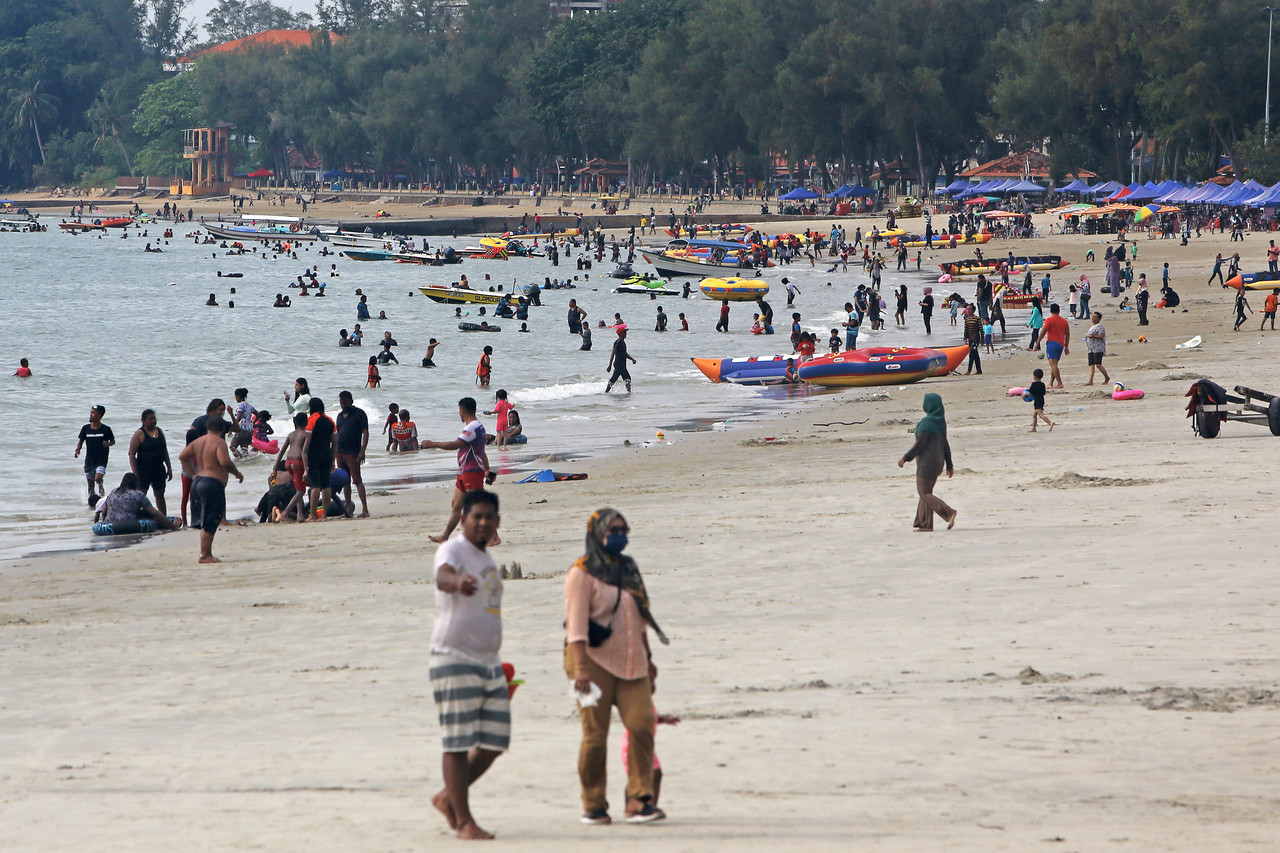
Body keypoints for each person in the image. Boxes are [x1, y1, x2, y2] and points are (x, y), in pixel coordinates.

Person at [564, 508, 669, 825]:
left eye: (624, 529)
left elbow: (639, 618)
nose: (620, 535)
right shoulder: (581, 573)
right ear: (597, 534)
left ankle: (639, 800)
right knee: (595, 735)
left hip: (632, 658)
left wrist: (649, 659)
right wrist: (580, 671)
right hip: (590, 661)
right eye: (613, 530)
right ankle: (593, 804)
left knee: (640, 724)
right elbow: (576, 627)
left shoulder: (628, 567)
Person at [429, 489, 508, 841]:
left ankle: (448, 797)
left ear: (497, 523)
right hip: (454, 656)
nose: (482, 522)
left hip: (489, 662)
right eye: (476, 516)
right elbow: (443, 577)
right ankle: (464, 822)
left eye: (489, 517)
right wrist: (457, 581)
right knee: (458, 742)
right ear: (463, 520)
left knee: (495, 740)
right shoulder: (453, 550)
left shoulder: (487, 559)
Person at [423, 398, 496, 544]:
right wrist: (487, 469)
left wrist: (433, 444)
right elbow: (481, 451)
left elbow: (456, 444)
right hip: (464, 472)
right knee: (456, 505)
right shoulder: (479, 427)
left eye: (459, 411)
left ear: (462, 410)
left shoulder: (472, 428)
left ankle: (493, 537)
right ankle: (445, 536)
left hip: (472, 472)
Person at [178, 417, 243, 562]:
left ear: (208, 427)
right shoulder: (219, 442)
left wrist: (194, 474)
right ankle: (205, 554)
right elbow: (225, 462)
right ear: (222, 429)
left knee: (204, 520)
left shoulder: (198, 442)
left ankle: (205, 552)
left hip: (198, 482)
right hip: (212, 484)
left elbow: (182, 457)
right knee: (211, 520)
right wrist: (236, 473)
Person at [897, 393, 956, 532]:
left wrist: (905, 458)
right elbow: (945, 444)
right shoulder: (940, 422)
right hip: (938, 464)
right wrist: (949, 464)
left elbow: (920, 445)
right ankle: (925, 524)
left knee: (924, 493)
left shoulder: (926, 423)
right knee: (927, 493)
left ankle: (949, 513)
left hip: (926, 464)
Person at [95, 472, 181, 531]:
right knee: (147, 513)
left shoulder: (112, 493)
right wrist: (172, 526)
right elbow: (154, 513)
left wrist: (103, 523)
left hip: (111, 523)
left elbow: (104, 511)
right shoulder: (137, 495)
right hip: (130, 523)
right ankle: (171, 525)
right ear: (136, 484)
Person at [128, 409, 172, 516]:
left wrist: (169, 468)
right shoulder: (139, 433)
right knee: (141, 495)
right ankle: (136, 517)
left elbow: (164, 450)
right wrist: (135, 473)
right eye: (150, 419)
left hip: (159, 469)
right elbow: (132, 454)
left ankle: (163, 517)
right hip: (143, 470)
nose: (153, 421)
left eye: (154, 418)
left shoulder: (159, 431)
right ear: (143, 421)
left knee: (160, 494)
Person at [334, 390, 370, 517]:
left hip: (353, 452)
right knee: (345, 482)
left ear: (351, 401)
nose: (343, 405)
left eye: (345, 402)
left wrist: (362, 451)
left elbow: (365, 433)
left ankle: (365, 510)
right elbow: (337, 434)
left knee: (357, 480)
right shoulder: (339, 416)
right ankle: (348, 510)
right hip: (340, 452)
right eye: (341, 402)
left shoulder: (359, 414)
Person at [75, 405, 115, 506]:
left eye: (93, 413)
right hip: (89, 460)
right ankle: (92, 503)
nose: (91, 414)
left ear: (100, 415)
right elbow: (81, 441)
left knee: (98, 479)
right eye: (91, 412)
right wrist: (77, 450)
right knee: (90, 485)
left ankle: (102, 499)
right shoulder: (85, 428)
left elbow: (113, 441)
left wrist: (108, 444)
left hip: (101, 460)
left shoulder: (106, 429)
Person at [1041, 303, 1070, 389]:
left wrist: (1038, 342)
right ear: (1059, 311)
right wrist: (1066, 346)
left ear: (1050, 311)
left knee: (1053, 365)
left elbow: (1043, 331)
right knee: (1055, 365)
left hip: (1052, 343)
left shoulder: (1049, 320)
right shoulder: (1064, 321)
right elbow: (1067, 334)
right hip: (1060, 344)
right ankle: (1051, 383)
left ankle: (1060, 383)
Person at [1083, 311, 1110, 386]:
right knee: (1091, 364)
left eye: (1095, 317)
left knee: (1098, 364)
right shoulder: (1092, 327)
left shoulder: (1100, 326)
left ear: (1099, 319)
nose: (1093, 318)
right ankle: (1090, 381)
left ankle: (1107, 377)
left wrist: (1093, 336)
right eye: (1093, 317)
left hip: (1098, 348)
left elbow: (1101, 336)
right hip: (1090, 348)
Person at [606, 328, 636, 393]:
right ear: (620, 333)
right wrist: (610, 365)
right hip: (619, 364)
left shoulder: (622, 342)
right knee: (626, 378)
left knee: (621, 378)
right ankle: (628, 392)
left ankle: (607, 392)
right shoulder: (619, 342)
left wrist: (632, 359)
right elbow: (613, 353)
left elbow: (624, 353)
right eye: (624, 332)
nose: (626, 333)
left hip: (621, 364)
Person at [229, 388, 256, 457]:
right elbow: (258, 415)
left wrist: (232, 428)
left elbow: (239, 417)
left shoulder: (241, 406)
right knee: (244, 450)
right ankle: (246, 463)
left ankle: (240, 460)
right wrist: (252, 423)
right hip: (249, 430)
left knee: (232, 447)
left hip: (242, 429)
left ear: (237, 396)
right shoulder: (249, 406)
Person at [1028, 368, 1054, 432]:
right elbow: (1043, 393)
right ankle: (1034, 428)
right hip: (1041, 400)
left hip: (1037, 401)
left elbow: (1030, 392)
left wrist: (1024, 395)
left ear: (1034, 376)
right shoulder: (1042, 384)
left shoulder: (1034, 384)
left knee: (1040, 415)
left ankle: (1050, 423)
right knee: (1034, 414)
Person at [962, 306, 983, 375]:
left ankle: (969, 370)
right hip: (970, 339)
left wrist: (982, 339)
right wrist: (965, 338)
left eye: (969, 309)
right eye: (967, 309)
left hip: (976, 338)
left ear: (973, 310)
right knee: (975, 354)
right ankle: (979, 370)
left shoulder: (977, 319)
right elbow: (966, 329)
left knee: (971, 354)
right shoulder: (967, 319)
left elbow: (981, 330)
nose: (968, 311)